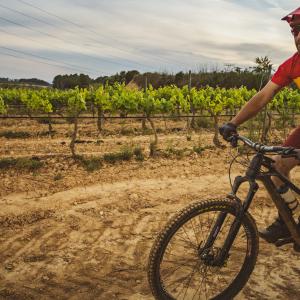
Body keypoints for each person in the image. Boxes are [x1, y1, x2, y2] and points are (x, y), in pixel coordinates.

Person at [219, 7, 300, 244]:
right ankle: (289, 221)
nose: (298, 37)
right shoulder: (293, 65)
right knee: (278, 165)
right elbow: (263, 96)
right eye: (295, 31)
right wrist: (232, 123)